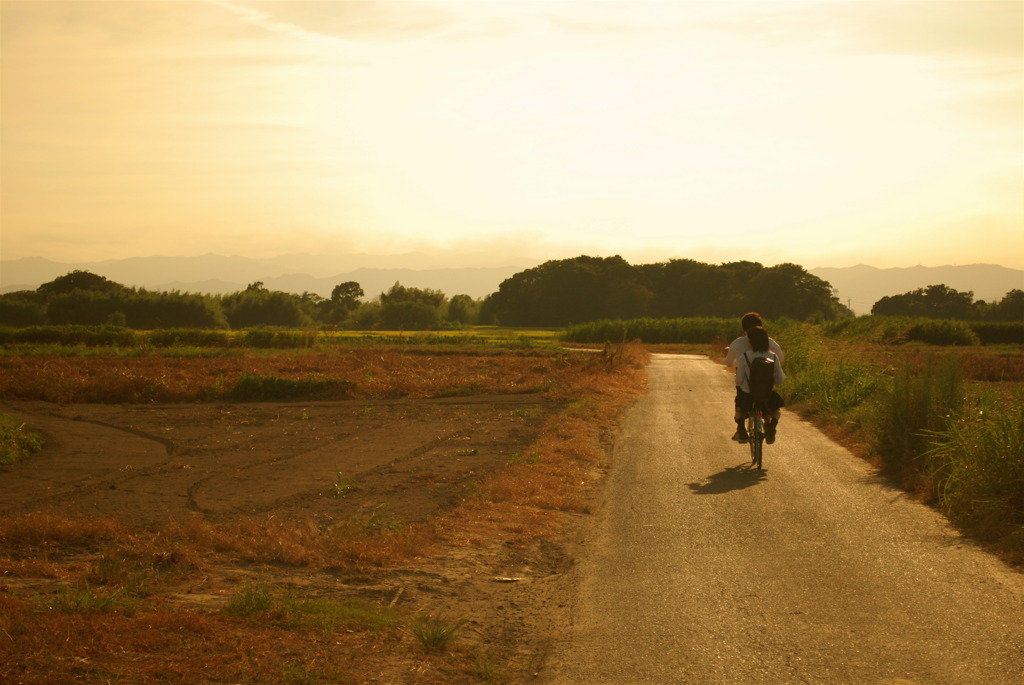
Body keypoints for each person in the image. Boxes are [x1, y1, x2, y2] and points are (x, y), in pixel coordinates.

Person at [723, 312, 784, 441]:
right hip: (766, 390)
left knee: (740, 405)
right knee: (770, 404)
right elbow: (780, 371)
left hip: (747, 390)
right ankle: (769, 424)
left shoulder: (741, 349)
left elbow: (734, 371)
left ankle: (741, 429)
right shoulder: (772, 350)